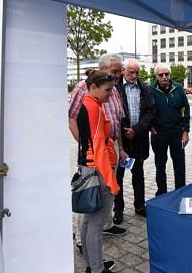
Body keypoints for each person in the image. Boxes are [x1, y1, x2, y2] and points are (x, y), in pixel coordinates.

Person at [69, 54, 127, 252]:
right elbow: (72, 119)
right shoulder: (83, 88)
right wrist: (88, 148)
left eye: (120, 71)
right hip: (94, 157)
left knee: (103, 197)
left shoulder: (114, 88)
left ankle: (107, 224)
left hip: (109, 152)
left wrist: (120, 148)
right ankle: (81, 239)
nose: (119, 75)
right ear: (102, 69)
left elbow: (117, 121)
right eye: (114, 71)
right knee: (90, 197)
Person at [77, 69, 119, 273]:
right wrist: (110, 179)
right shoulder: (93, 108)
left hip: (88, 168)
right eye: (108, 90)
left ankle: (91, 265)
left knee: (88, 222)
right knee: (95, 224)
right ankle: (96, 269)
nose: (110, 94)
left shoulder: (90, 104)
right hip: (97, 170)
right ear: (93, 87)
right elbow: (97, 146)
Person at [114, 58, 155, 220]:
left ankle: (139, 205)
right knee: (118, 176)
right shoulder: (116, 87)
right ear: (123, 70)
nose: (134, 75)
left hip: (138, 138)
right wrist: (125, 132)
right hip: (121, 140)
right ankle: (118, 209)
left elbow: (150, 111)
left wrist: (136, 130)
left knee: (138, 174)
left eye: (137, 72)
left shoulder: (144, 87)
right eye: (131, 72)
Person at [149, 64, 190, 196]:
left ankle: (180, 192)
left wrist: (185, 131)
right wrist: (151, 128)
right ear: (156, 76)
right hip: (159, 135)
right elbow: (146, 111)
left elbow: (185, 110)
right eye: (161, 75)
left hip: (177, 134)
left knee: (180, 166)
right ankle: (162, 193)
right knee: (160, 166)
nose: (164, 77)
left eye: (167, 74)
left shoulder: (178, 88)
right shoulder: (150, 90)